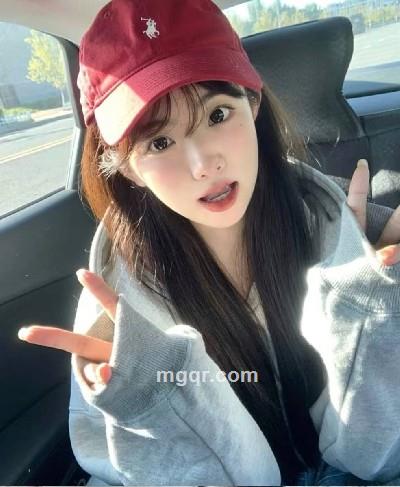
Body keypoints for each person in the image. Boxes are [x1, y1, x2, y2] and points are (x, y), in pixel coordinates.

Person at [17, 0, 400, 485]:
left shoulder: (336, 224)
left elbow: (377, 455)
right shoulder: (116, 299)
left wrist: (375, 319)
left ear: (252, 103)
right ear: (128, 168)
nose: (203, 165)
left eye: (218, 114)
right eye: (159, 142)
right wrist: (156, 409)